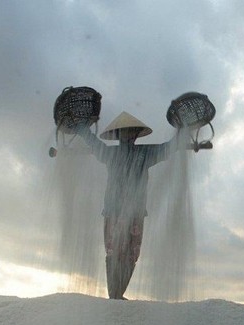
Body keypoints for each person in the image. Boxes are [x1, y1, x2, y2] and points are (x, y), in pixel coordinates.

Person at [75, 111, 181, 300]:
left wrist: (181, 135)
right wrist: (84, 131)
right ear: (118, 136)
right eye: (123, 133)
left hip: (135, 213)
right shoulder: (111, 154)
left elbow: (168, 148)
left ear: (135, 135)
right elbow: (94, 145)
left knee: (131, 254)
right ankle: (114, 294)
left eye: (130, 132)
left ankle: (118, 293)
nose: (127, 136)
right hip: (114, 211)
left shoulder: (145, 153)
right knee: (113, 251)